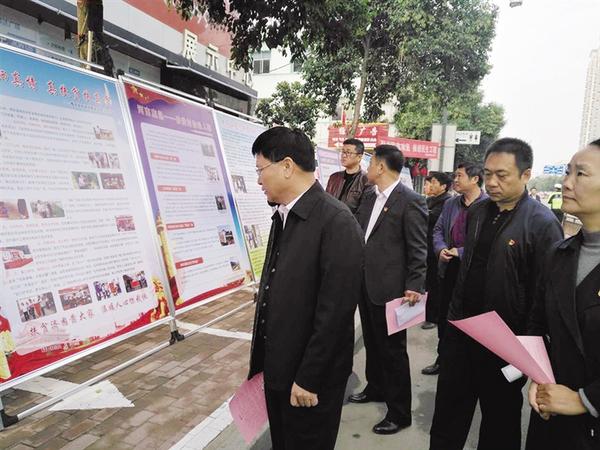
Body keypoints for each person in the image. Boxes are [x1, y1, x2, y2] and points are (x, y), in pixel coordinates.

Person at [429, 138, 563, 450]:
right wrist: (451, 323)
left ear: (526, 175)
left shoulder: (542, 223)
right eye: (488, 174)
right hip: (463, 332)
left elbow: (544, 293)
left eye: (502, 175)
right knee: (448, 415)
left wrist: (527, 350)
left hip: (506, 343)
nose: (492, 182)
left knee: (500, 422)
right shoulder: (478, 212)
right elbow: (466, 273)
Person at [247, 127, 364, 450]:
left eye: (260, 170)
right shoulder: (284, 215)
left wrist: (309, 377)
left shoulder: (336, 222)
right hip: (279, 370)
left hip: (308, 382)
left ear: (287, 166)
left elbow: (336, 313)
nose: (258, 180)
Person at [348, 144, 428, 435]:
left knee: (393, 352)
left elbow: (418, 248)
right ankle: (376, 387)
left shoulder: (411, 200)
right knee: (372, 343)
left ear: (381, 167)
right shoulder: (370, 196)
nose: (367, 169)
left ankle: (399, 413)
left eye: (371, 164)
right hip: (367, 284)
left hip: (393, 290)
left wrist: (414, 286)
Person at [526, 139, 600, 450]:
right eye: (567, 172)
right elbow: (538, 325)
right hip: (550, 412)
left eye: (580, 174)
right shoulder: (559, 253)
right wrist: (537, 377)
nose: (566, 183)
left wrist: (585, 400)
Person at [421, 162, 487, 376]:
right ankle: (443, 359)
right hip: (449, 267)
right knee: (444, 316)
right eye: (455, 176)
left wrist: (461, 251)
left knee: (468, 318)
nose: (455, 180)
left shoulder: (489, 206)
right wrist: (440, 249)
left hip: (473, 271)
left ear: (475, 179)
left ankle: (465, 364)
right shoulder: (451, 203)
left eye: (459, 176)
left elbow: (488, 243)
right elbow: (438, 230)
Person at [421, 171, 453, 331]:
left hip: (436, 250)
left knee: (434, 284)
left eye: (433, 182)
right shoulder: (429, 200)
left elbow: (430, 219)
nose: (430, 185)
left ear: (443, 186)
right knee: (426, 283)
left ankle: (433, 317)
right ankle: (425, 313)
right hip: (425, 248)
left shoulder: (448, 202)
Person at [325, 138, 370, 213]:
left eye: (348, 152)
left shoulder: (366, 180)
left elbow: (364, 211)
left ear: (359, 157)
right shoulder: (334, 177)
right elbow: (326, 201)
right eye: (343, 152)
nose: (344, 155)